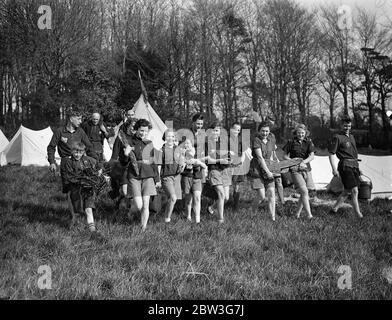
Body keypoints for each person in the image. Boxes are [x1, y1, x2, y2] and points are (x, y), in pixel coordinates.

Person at [47, 109, 98, 223]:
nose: (81, 121)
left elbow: (89, 147)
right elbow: (51, 147)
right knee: (70, 190)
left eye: (81, 118)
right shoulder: (60, 131)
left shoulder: (80, 131)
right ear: (71, 119)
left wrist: (96, 160)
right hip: (66, 164)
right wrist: (52, 162)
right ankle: (74, 217)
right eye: (79, 118)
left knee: (82, 187)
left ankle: (83, 212)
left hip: (80, 163)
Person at [120, 118, 160, 231]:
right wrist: (126, 154)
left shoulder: (149, 143)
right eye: (141, 130)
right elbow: (123, 162)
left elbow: (153, 161)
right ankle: (130, 213)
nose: (143, 133)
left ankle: (143, 228)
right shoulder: (129, 142)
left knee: (146, 204)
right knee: (138, 205)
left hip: (148, 175)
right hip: (134, 175)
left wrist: (157, 179)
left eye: (146, 131)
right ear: (136, 130)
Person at [60, 142, 106, 241]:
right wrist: (83, 180)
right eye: (75, 152)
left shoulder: (89, 160)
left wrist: (99, 170)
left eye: (80, 152)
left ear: (83, 152)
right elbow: (70, 177)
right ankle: (74, 227)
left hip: (88, 189)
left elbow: (99, 164)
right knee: (77, 211)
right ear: (72, 151)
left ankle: (92, 231)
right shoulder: (68, 162)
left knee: (88, 209)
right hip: (76, 189)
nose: (77, 155)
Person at [328, 116, 363, 218]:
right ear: (341, 126)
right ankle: (358, 215)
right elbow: (331, 153)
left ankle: (334, 209)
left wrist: (358, 167)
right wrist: (334, 169)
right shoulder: (337, 137)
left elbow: (354, 154)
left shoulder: (351, 137)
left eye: (349, 125)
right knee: (354, 190)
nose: (347, 127)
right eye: (345, 125)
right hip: (345, 166)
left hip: (354, 166)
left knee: (347, 190)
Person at [283, 124, 314, 219]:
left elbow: (312, 156)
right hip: (295, 169)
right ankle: (309, 216)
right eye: (299, 133)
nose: (301, 134)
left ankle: (297, 214)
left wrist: (303, 162)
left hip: (306, 168)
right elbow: (284, 156)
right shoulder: (291, 142)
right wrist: (293, 161)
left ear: (306, 133)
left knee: (305, 192)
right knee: (304, 191)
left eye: (302, 133)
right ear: (296, 133)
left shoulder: (309, 142)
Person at [248, 121, 277, 221]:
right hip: (257, 169)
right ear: (259, 131)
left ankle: (272, 218)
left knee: (272, 193)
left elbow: (273, 155)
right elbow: (260, 158)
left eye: (267, 131)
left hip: (269, 168)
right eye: (263, 131)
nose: (265, 133)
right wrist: (268, 172)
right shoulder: (256, 140)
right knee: (261, 195)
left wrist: (274, 166)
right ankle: (252, 213)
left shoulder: (271, 140)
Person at [205, 121, 232, 224]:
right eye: (213, 131)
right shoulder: (207, 144)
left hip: (225, 170)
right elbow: (208, 160)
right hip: (214, 169)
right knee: (221, 194)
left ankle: (211, 207)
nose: (215, 133)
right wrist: (220, 160)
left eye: (217, 130)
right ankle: (220, 219)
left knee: (226, 197)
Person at [157, 129, 185, 223]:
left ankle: (166, 215)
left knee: (174, 199)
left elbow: (182, 161)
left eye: (173, 136)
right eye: (168, 136)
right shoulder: (162, 150)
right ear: (165, 137)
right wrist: (158, 179)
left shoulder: (178, 149)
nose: (171, 138)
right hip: (166, 176)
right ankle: (167, 220)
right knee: (173, 198)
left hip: (176, 176)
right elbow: (159, 165)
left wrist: (182, 165)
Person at [180, 138, 207, 223]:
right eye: (184, 143)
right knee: (188, 199)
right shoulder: (181, 154)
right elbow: (179, 170)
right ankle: (188, 217)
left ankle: (197, 220)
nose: (186, 145)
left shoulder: (198, 153)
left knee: (197, 197)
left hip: (196, 178)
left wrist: (198, 162)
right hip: (186, 178)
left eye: (188, 143)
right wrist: (184, 162)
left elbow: (205, 166)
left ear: (192, 144)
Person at [229, 122, 247, 210]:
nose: (237, 131)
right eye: (235, 129)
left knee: (237, 185)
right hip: (229, 165)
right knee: (228, 184)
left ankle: (235, 206)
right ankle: (224, 200)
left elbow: (243, 152)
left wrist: (242, 159)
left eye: (238, 130)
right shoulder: (226, 139)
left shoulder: (241, 139)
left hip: (238, 164)